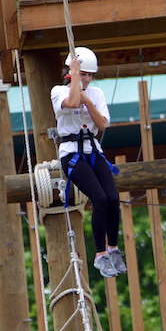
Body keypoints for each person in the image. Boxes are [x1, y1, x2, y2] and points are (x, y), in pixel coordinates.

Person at [51, 47, 126, 278]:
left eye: (88, 75)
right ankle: (100, 254)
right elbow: (72, 103)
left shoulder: (96, 94)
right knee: (100, 199)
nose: (86, 79)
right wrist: (75, 83)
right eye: (82, 74)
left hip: (92, 149)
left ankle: (113, 248)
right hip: (71, 154)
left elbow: (101, 124)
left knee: (113, 198)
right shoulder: (58, 91)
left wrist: (88, 102)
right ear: (71, 73)